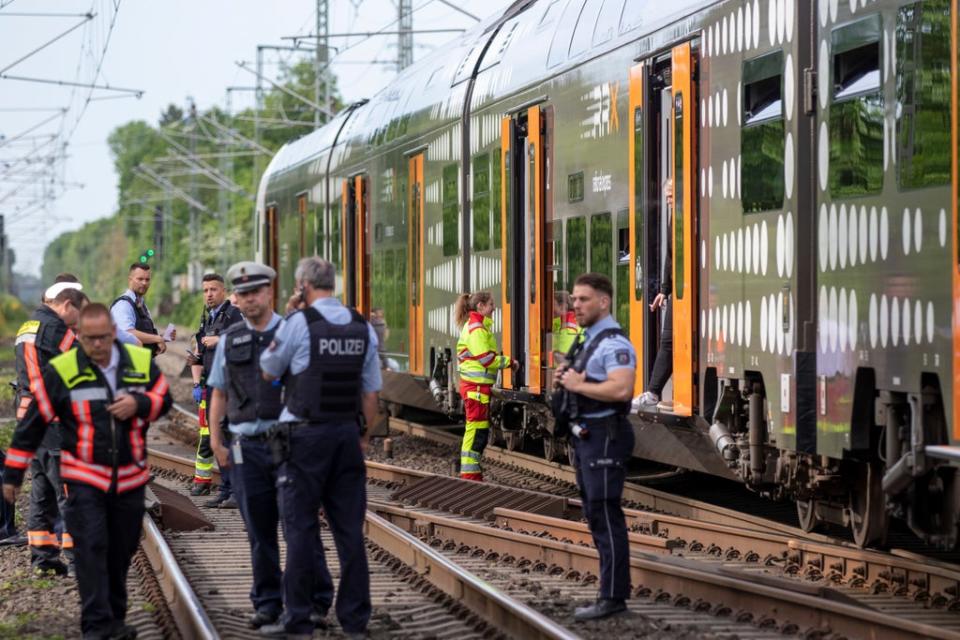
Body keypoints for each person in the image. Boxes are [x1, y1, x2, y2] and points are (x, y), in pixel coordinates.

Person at [3, 303, 172, 639]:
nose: (97, 345)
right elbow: (32, 425)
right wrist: (12, 475)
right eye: (90, 339)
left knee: (120, 552)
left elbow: (163, 398)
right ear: (79, 336)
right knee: (91, 548)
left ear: (114, 334)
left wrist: (139, 404)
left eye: (104, 338)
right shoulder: (63, 370)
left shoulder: (138, 363)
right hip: (85, 480)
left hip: (129, 480)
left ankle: (114, 619)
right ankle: (96, 626)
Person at [206, 262, 333, 630]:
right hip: (246, 445)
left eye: (255, 292)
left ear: (269, 293)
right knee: (259, 530)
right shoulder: (230, 339)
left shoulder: (293, 332)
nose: (248, 299)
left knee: (301, 526)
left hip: (290, 443)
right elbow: (218, 391)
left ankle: (315, 600)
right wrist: (216, 439)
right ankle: (267, 602)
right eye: (242, 294)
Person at [260, 257, 381, 639]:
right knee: (349, 532)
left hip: (304, 439)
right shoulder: (363, 327)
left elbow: (268, 368)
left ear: (303, 285)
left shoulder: (299, 323)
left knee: (299, 529)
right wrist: (362, 437)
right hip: (346, 436)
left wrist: (292, 312)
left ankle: (298, 620)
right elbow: (371, 394)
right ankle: (355, 621)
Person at [556, 273, 636, 621]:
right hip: (587, 435)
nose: (576, 305)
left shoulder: (614, 344)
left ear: (603, 301)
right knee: (595, 514)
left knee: (605, 514)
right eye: (574, 299)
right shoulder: (588, 340)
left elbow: (621, 389)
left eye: (583, 299)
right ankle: (609, 593)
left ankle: (613, 597)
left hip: (606, 434)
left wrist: (577, 383)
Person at [14, 286, 89, 574]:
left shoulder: (27, 325)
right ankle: (75, 560)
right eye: (76, 315)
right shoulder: (59, 330)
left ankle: (43, 559)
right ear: (67, 305)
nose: (76, 321)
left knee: (41, 490)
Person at [188, 273, 243, 503]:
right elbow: (201, 349)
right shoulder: (208, 318)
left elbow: (244, 340)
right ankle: (226, 490)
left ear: (223, 291)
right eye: (205, 290)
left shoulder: (233, 314)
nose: (209, 294)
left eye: (213, 290)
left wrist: (219, 340)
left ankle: (236, 491)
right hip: (212, 386)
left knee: (231, 439)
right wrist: (195, 364)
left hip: (230, 387)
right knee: (217, 438)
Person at [454, 291, 518, 481]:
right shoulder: (477, 329)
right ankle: (470, 475)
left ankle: (472, 472)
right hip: (475, 389)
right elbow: (486, 359)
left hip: (478, 388)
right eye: (491, 304)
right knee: (475, 430)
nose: (494, 307)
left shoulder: (478, 327)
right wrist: (510, 363)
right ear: (480, 306)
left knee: (478, 430)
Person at [636, 179, 674, 410]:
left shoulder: (685, 216)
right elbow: (671, 257)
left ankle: (653, 393)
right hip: (679, 292)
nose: (668, 200)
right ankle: (653, 392)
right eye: (667, 197)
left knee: (669, 341)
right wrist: (664, 290)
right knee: (668, 340)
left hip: (688, 292)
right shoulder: (675, 218)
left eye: (671, 196)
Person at [111, 263, 170, 356]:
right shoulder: (123, 305)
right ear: (130, 279)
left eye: (147, 279)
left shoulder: (141, 304)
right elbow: (127, 333)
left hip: (139, 362)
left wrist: (163, 337)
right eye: (140, 279)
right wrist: (157, 339)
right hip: (126, 364)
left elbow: (144, 333)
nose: (144, 283)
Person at [551, 290, 581, 366]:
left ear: (563, 307)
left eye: (552, 305)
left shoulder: (568, 325)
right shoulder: (562, 321)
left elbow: (564, 355)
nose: (549, 308)